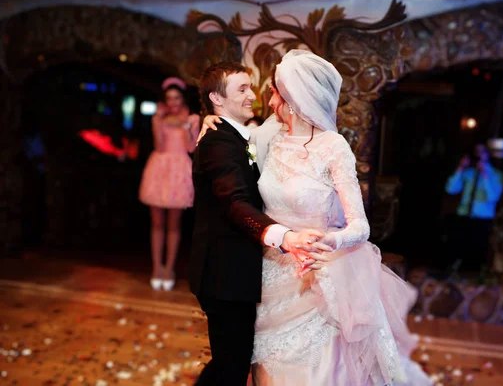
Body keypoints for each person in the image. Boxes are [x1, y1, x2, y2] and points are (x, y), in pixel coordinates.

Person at [199, 51, 430, 385]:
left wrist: (329, 241)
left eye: (276, 91)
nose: (269, 97)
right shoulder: (269, 137)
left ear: (294, 99)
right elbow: (230, 142)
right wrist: (210, 119)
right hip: (266, 275)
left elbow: (360, 226)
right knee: (262, 369)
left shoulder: (334, 147)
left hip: (316, 280)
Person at [190, 61, 332, 386]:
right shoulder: (217, 142)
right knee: (232, 365)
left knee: (232, 362)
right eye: (241, 89)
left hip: (238, 272)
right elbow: (234, 202)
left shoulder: (242, 135)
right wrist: (284, 237)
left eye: (251, 87)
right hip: (223, 274)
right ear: (216, 98)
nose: (251, 96)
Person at [139, 77, 199, 291]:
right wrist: (157, 122)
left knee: (174, 223)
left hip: (180, 168)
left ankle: (169, 268)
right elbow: (159, 146)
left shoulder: (191, 118)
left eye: (176, 98)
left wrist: (187, 128)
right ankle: (157, 267)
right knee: (156, 223)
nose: (173, 102)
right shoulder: (160, 118)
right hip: (160, 166)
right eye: (169, 98)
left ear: (183, 98)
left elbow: (191, 148)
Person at [445, 142, 503, 271]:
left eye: (482, 152)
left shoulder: (497, 175)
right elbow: (450, 189)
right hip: (464, 215)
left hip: (482, 219)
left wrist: (486, 176)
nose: (478, 155)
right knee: (457, 247)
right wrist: (460, 168)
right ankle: (454, 273)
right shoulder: (469, 172)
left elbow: (493, 197)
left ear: (488, 155)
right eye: (476, 151)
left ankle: (472, 275)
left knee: (476, 251)